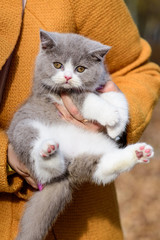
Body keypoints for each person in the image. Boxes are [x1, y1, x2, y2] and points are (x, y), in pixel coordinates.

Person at [0, 0, 160, 239]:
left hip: (79, 220)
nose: (66, 76)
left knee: (90, 159)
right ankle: (53, 161)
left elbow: (135, 68)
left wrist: (115, 123)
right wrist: (6, 157)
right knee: (40, 144)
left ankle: (106, 161)